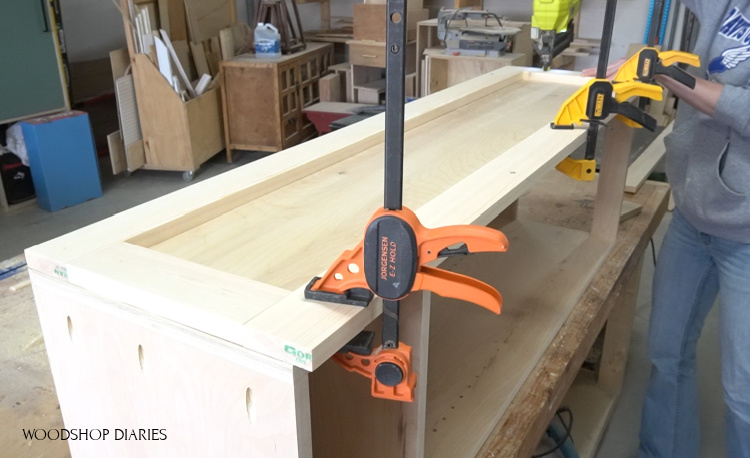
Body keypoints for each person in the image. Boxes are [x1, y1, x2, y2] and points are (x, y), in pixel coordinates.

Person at [638, 1, 750, 457]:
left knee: (743, 391)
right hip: (692, 215)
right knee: (667, 355)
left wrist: (672, 77)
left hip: (745, 235)